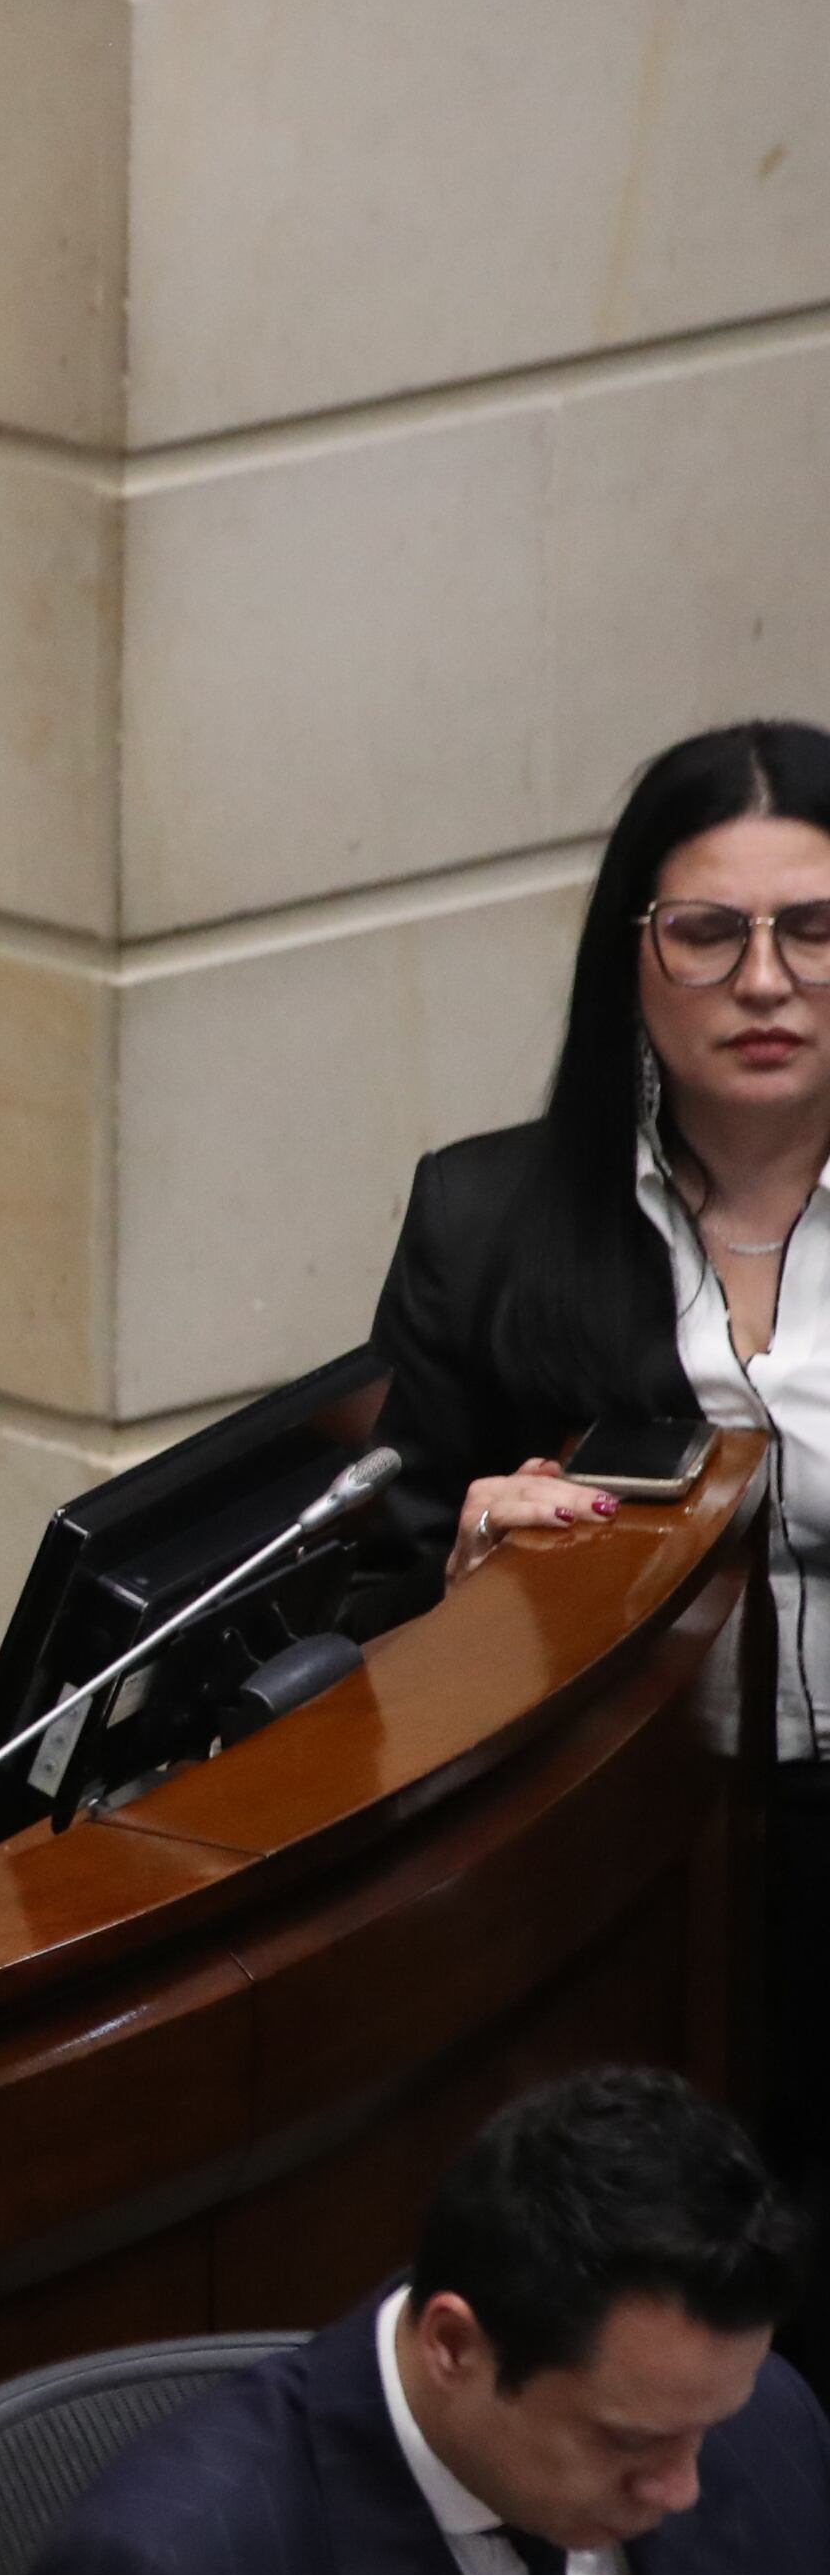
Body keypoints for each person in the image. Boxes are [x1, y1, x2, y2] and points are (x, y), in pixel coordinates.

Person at [364, 719, 830, 2261]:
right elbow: (367, 1612)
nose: (766, 982)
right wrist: (474, 1587)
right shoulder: (487, 1217)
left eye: (816, 929)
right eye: (709, 933)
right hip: (623, 1868)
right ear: (633, 954)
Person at [0, 2066, 829, 2575]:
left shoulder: (764, 2427)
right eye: (628, 2440)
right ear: (454, 2346)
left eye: (709, 2424)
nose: (681, 2489)